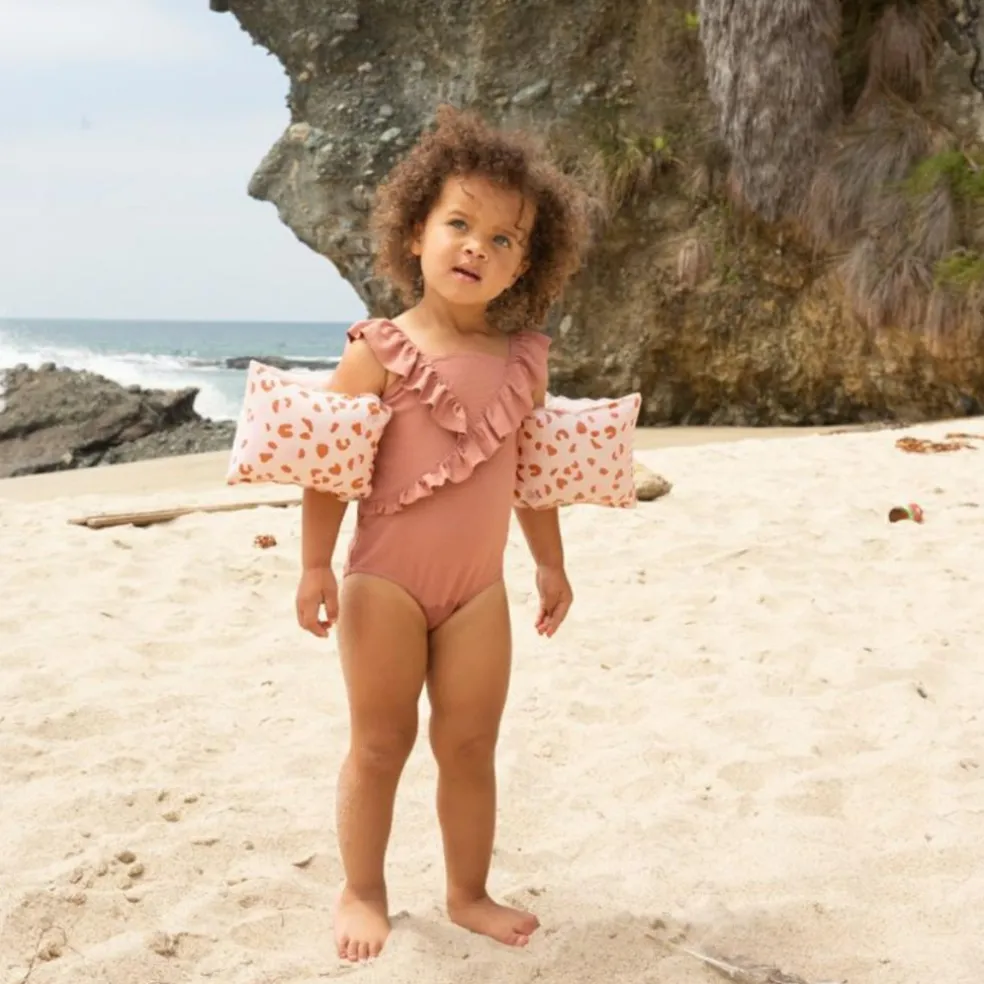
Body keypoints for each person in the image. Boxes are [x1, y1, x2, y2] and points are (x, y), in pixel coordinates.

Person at [295, 106, 591, 963]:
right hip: (382, 583)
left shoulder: (523, 361)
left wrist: (550, 564)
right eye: (459, 224)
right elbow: (329, 467)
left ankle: (467, 893)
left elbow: (531, 473)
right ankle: (363, 889)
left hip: (477, 592)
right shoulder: (379, 350)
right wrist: (315, 566)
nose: (476, 248)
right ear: (415, 232)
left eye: (503, 239)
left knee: (469, 744)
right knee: (379, 743)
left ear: (525, 264)